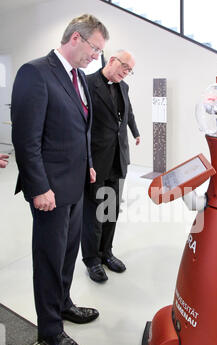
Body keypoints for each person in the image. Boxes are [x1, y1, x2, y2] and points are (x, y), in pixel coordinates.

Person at [11, 14, 109, 345]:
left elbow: (79, 128)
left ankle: (64, 304)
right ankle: (50, 330)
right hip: (49, 191)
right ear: (76, 39)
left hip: (75, 184)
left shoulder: (79, 77)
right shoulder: (35, 72)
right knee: (50, 259)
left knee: (68, 253)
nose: (96, 57)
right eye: (95, 48)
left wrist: (89, 165)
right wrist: (39, 187)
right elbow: (26, 138)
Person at [81, 50, 140, 283]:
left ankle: (106, 253)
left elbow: (129, 112)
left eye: (130, 71)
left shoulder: (123, 87)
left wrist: (135, 132)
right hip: (96, 160)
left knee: (111, 210)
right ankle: (92, 260)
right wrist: (85, 160)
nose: (126, 74)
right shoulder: (87, 84)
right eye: (125, 68)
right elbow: (80, 123)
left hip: (118, 157)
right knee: (94, 213)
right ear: (113, 61)